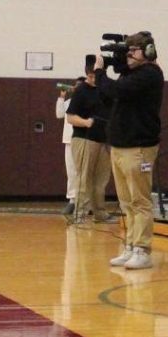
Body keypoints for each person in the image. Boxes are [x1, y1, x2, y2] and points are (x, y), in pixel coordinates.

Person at [94, 31, 164, 269]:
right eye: (128, 51)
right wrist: (117, 63)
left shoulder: (150, 75)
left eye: (133, 51)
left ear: (148, 52)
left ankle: (143, 249)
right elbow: (113, 91)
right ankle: (131, 245)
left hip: (139, 147)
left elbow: (116, 91)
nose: (128, 55)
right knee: (126, 202)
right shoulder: (131, 74)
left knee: (140, 201)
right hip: (120, 145)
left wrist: (101, 72)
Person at [65, 55, 112, 223]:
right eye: (90, 76)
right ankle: (79, 213)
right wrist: (86, 122)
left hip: (104, 141)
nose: (93, 80)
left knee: (101, 179)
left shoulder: (105, 89)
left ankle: (100, 212)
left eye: (95, 76)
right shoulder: (81, 91)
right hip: (84, 139)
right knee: (84, 177)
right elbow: (70, 117)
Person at [56, 82, 78, 219]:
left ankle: (85, 202)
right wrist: (61, 98)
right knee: (71, 171)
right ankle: (72, 200)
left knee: (83, 171)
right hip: (69, 141)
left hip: (83, 140)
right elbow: (59, 114)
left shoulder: (88, 101)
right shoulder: (69, 102)